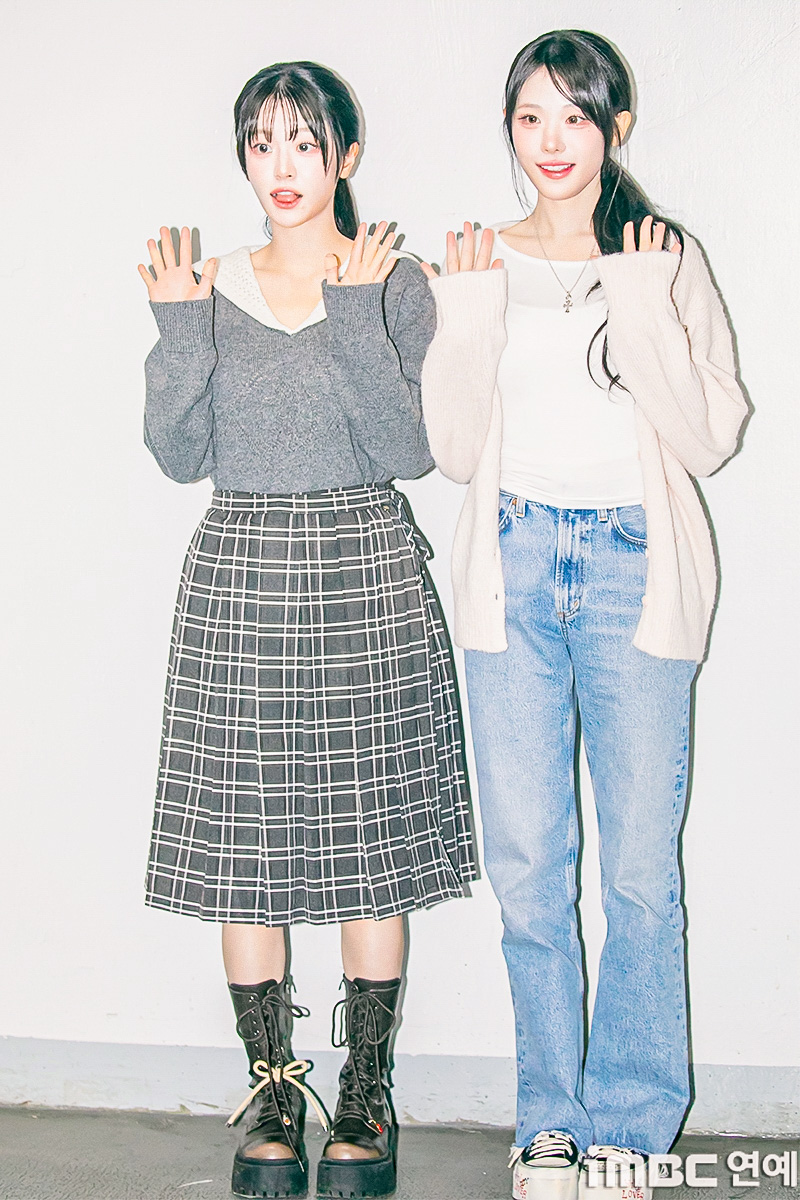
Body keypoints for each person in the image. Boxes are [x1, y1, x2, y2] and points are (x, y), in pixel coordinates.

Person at [138, 60, 476, 1200]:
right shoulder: (206, 286)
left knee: (369, 851)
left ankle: (366, 1093)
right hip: (241, 569)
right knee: (246, 862)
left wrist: (354, 315)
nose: (281, 167)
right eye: (261, 143)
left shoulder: (394, 282)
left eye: (303, 142)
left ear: (345, 154)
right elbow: (179, 454)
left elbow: (407, 450)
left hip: (364, 563)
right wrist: (177, 328)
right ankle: (274, 1089)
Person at [419, 29, 747, 1200]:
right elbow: (455, 451)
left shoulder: (661, 255)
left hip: (630, 569)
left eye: (572, 115)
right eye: (529, 117)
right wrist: (465, 313)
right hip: (509, 565)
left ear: (615, 127)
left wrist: (640, 295)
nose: (549, 141)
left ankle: (632, 1126)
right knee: (526, 869)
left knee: (638, 876)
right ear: (508, 129)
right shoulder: (475, 260)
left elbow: (708, 435)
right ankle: (547, 1122)